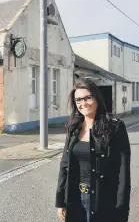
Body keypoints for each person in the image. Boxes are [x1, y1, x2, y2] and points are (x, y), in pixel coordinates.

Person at [55, 80, 131, 222]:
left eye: (87, 98)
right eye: (78, 100)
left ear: (97, 97)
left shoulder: (115, 128)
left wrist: (122, 210)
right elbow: (65, 166)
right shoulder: (73, 127)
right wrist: (60, 201)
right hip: (76, 198)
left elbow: (123, 172)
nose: (83, 103)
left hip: (103, 200)